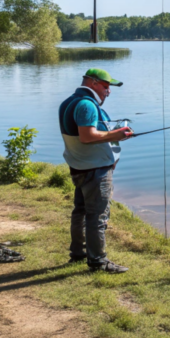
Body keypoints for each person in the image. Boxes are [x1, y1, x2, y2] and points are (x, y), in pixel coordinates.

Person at [58, 68, 134, 273]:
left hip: (80, 165)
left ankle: (78, 253)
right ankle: (98, 261)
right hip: (95, 169)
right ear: (92, 83)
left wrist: (113, 134)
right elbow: (87, 136)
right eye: (106, 86)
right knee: (98, 216)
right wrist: (116, 135)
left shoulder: (69, 101)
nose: (108, 92)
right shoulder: (86, 105)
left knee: (81, 212)